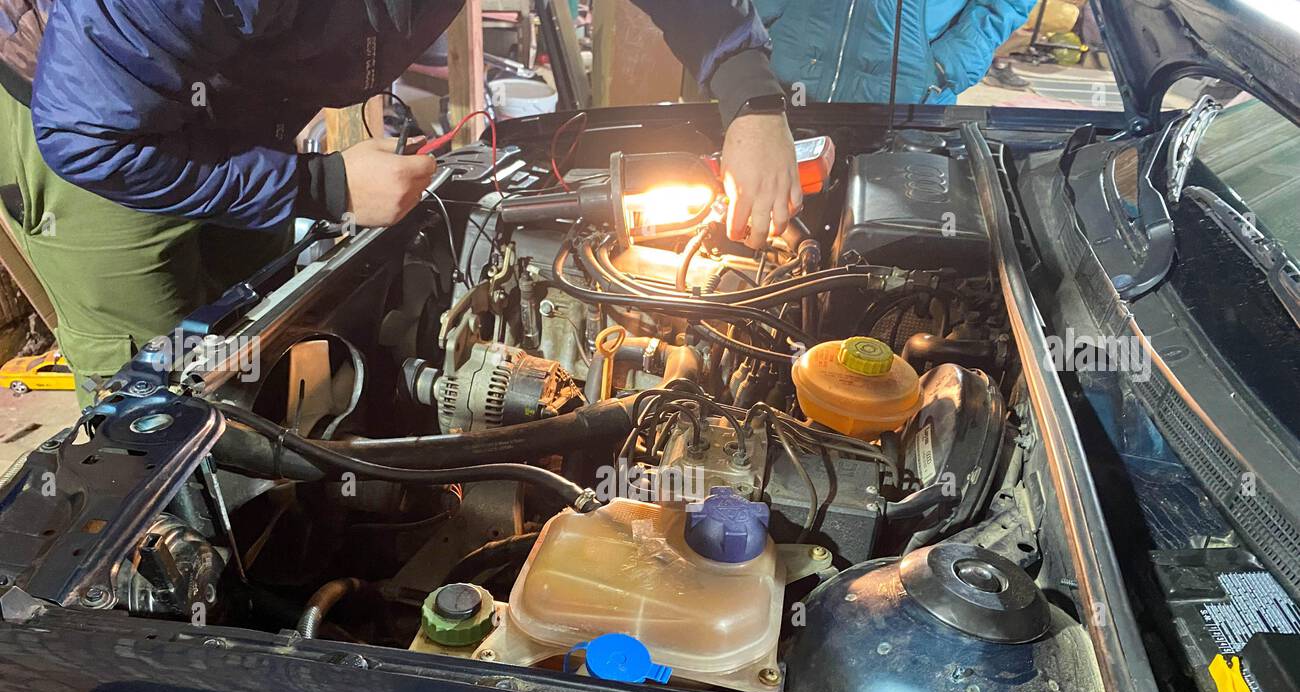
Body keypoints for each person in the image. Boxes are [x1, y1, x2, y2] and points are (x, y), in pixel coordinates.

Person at [0, 1, 799, 403]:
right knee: (163, 395)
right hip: (90, 132)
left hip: (232, 97)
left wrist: (751, 97)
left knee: (247, 348)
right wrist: (323, 186)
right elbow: (90, 135)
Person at [755, 0, 1036, 105]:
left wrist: (951, 61)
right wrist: (755, 25)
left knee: (889, 227)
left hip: (911, 92)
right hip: (779, 79)